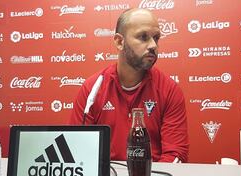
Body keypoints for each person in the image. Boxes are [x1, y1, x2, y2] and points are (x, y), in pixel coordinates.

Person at [69, 8, 189, 162]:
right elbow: (78, 149)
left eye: (156, 38)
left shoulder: (169, 90)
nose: (153, 45)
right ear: (120, 42)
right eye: (143, 37)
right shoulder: (92, 89)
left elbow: (176, 154)